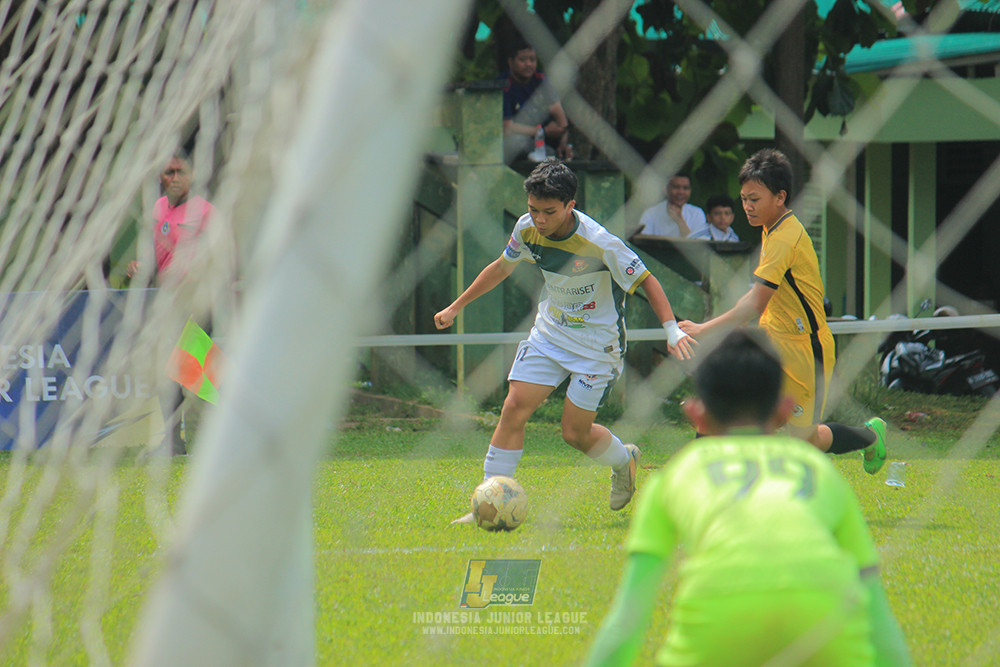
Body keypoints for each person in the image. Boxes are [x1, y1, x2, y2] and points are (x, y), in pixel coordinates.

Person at [584, 329, 912, 667]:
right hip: (827, 637)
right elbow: (880, 619)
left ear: (696, 415)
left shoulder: (675, 477)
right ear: (784, 412)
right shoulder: (820, 472)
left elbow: (625, 622)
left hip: (715, 641)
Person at [435, 159, 696, 517]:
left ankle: (624, 460)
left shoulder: (600, 243)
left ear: (570, 205)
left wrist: (671, 329)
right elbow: (501, 267)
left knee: (574, 433)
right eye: (533, 209)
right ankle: (491, 501)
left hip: (596, 346)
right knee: (513, 408)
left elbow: (647, 281)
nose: (539, 219)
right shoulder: (526, 228)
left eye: (549, 212)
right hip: (550, 334)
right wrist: (456, 307)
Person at [679, 149, 887, 473]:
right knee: (724, 404)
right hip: (772, 341)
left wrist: (704, 329)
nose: (747, 206)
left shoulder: (784, 237)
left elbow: (755, 302)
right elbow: (760, 295)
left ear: (780, 197)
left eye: (754, 199)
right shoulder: (770, 228)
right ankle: (697, 477)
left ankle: (870, 436)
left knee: (806, 442)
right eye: (744, 199)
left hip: (807, 351)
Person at [128, 153, 216, 455]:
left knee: (193, 372)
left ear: (193, 175)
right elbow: (158, 256)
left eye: (181, 172)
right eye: (169, 172)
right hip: (167, 300)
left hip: (198, 300)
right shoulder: (159, 209)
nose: (175, 178)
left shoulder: (206, 212)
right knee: (177, 371)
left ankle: (207, 437)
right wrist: (143, 266)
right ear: (161, 177)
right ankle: (174, 441)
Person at [498, 39, 573, 163]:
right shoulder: (504, 85)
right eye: (522, 60)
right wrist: (542, 131)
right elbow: (507, 127)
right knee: (515, 142)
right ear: (511, 62)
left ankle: (555, 154)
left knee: (566, 151)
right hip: (519, 139)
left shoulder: (541, 79)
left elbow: (558, 113)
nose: (528, 64)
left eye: (532, 60)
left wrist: (563, 142)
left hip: (543, 137)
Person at [636, 172, 708, 238]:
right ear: (666, 189)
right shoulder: (650, 213)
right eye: (676, 187)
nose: (681, 192)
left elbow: (699, 244)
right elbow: (643, 239)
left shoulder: (697, 213)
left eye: (685, 188)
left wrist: (680, 221)